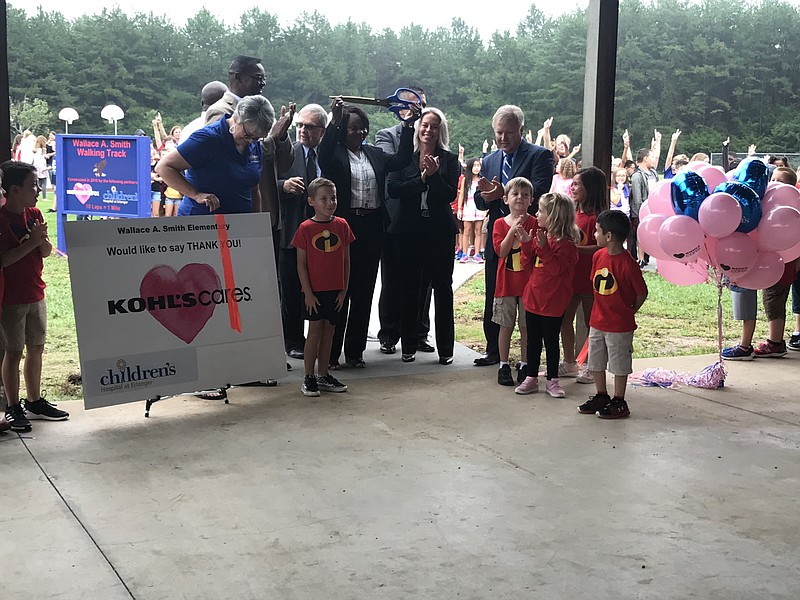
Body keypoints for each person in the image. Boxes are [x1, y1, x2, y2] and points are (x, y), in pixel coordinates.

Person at [317, 97, 420, 369]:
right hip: (345, 227)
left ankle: (355, 351)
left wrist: (408, 126)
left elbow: (401, 159)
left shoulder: (374, 154)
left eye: (363, 128)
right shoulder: (335, 153)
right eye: (354, 128)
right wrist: (334, 121)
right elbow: (322, 155)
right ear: (343, 130)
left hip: (373, 227)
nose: (360, 133)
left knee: (364, 291)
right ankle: (331, 354)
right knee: (342, 290)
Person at [473, 105, 554, 367]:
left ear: (521, 129)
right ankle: (493, 350)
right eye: (498, 133)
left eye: (509, 133)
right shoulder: (489, 160)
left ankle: (528, 357)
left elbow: (540, 192)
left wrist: (506, 196)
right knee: (494, 292)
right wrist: (486, 196)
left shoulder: (540, 156)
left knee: (528, 297)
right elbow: (479, 199)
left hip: (529, 237)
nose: (503, 138)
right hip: (499, 236)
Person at [386, 107, 459, 364]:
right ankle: (408, 346)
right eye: (424, 125)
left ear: (441, 131)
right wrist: (422, 178)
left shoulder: (450, 160)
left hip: (439, 232)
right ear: (418, 128)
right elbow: (394, 189)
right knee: (410, 289)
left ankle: (446, 350)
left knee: (442, 288)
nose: (428, 130)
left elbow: (449, 195)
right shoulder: (404, 157)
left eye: (434, 126)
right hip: (408, 232)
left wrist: (435, 176)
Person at [0, 161, 69, 432]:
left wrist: (42, 240)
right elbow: (4, 260)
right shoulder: (3, 220)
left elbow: (44, 252)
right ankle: (13, 405)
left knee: (36, 347)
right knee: (13, 351)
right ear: (14, 190)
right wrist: (31, 242)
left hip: (35, 291)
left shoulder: (35, 213)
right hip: (11, 298)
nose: (38, 190)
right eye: (32, 186)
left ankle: (34, 400)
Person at [375, 86, 431, 355]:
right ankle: (389, 333)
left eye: (420, 103)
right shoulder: (386, 136)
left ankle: (419, 332)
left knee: (423, 282)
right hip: (394, 218)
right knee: (392, 279)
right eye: (409, 103)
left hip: (424, 221)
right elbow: (390, 169)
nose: (415, 108)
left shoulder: (433, 134)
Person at [578, 210, 648, 419]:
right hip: (598, 321)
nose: (594, 236)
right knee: (596, 361)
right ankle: (601, 394)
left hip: (619, 325)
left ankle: (619, 399)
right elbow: (595, 284)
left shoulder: (628, 263)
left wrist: (628, 311)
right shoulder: (598, 256)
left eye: (597, 232)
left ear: (609, 236)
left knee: (618, 364)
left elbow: (641, 293)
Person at [157, 95, 274, 215]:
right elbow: (164, 167)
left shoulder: (254, 145)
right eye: (247, 135)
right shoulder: (207, 139)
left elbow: (254, 188)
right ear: (235, 118)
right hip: (203, 221)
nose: (250, 141)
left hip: (239, 223)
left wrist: (257, 225)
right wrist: (195, 194)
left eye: (256, 138)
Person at [291, 178, 353, 397]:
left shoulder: (342, 225)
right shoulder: (305, 229)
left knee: (330, 332)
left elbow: (346, 260)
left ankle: (323, 374)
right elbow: (301, 263)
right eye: (323, 199)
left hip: (336, 291)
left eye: (333, 198)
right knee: (315, 332)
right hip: (314, 293)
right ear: (311, 202)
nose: (330, 203)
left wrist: (344, 290)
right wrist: (308, 292)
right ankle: (308, 376)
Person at [514, 192, 579, 397]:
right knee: (532, 340)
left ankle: (552, 380)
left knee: (551, 341)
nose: (536, 214)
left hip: (554, 301)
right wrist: (526, 243)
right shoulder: (541, 237)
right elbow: (527, 264)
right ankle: (531, 377)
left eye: (541, 211)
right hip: (533, 297)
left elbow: (557, 270)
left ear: (553, 216)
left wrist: (542, 249)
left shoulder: (567, 245)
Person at [277, 103, 329, 359]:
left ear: (322, 131)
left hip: (323, 237)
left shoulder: (329, 156)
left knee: (319, 289)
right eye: (300, 125)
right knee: (291, 289)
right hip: (292, 232)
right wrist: (283, 185)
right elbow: (264, 181)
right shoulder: (288, 153)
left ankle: (318, 340)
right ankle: (294, 341)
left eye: (310, 126)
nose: (303, 130)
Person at [559, 167, 608, 383]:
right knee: (564, 319)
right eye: (573, 183)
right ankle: (570, 362)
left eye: (578, 184)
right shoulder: (573, 213)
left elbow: (601, 247)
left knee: (592, 324)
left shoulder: (598, 217)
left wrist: (574, 249)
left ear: (591, 188)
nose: (573, 187)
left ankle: (592, 365)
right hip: (571, 277)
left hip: (590, 278)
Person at [493, 177, 537, 386]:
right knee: (505, 325)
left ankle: (525, 363)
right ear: (505, 199)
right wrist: (513, 230)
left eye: (525, 195)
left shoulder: (536, 223)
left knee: (526, 326)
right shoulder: (500, 223)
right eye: (515, 194)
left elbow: (537, 252)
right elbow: (501, 251)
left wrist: (527, 239)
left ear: (531, 200)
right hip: (506, 284)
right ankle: (503, 364)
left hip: (529, 285)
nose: (520, 198)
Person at [629, 148, 658, 266]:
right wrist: (640, 213)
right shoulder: (637, 176)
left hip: (653, 209)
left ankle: (647, 256)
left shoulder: (653, 173)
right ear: (645, 158)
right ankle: (640, 258)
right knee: (640, 235)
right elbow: (637, 198)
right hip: (642, 211)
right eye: (651, 157)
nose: (653, 160)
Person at [457, 157, 487, 264]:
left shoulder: (482, 180)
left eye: (478, 165)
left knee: (478, 231)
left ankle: (477, 254)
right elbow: (461, 195)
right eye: (474, 165)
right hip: (468, 206)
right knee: (466, 230)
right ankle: (464, 253)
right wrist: (460, 209)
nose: (476, 168)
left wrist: (485, 209)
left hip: (479, 207)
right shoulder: (466, 180)